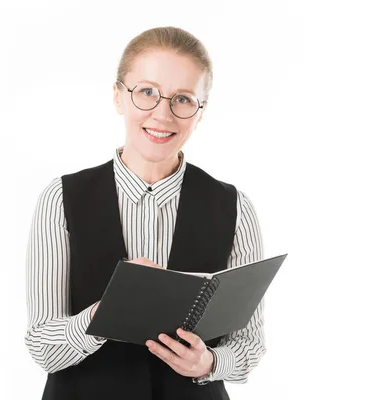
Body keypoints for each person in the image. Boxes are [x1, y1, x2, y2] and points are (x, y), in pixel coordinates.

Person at [24, 26, 266, 400]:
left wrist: (210, 363)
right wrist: (104, 315)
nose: (162, 114)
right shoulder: (61, 198)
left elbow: (250, 346)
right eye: (147, 92)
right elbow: (42, 345)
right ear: (119, 96)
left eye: (183, 99)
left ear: (200, 112)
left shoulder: (235, 207)